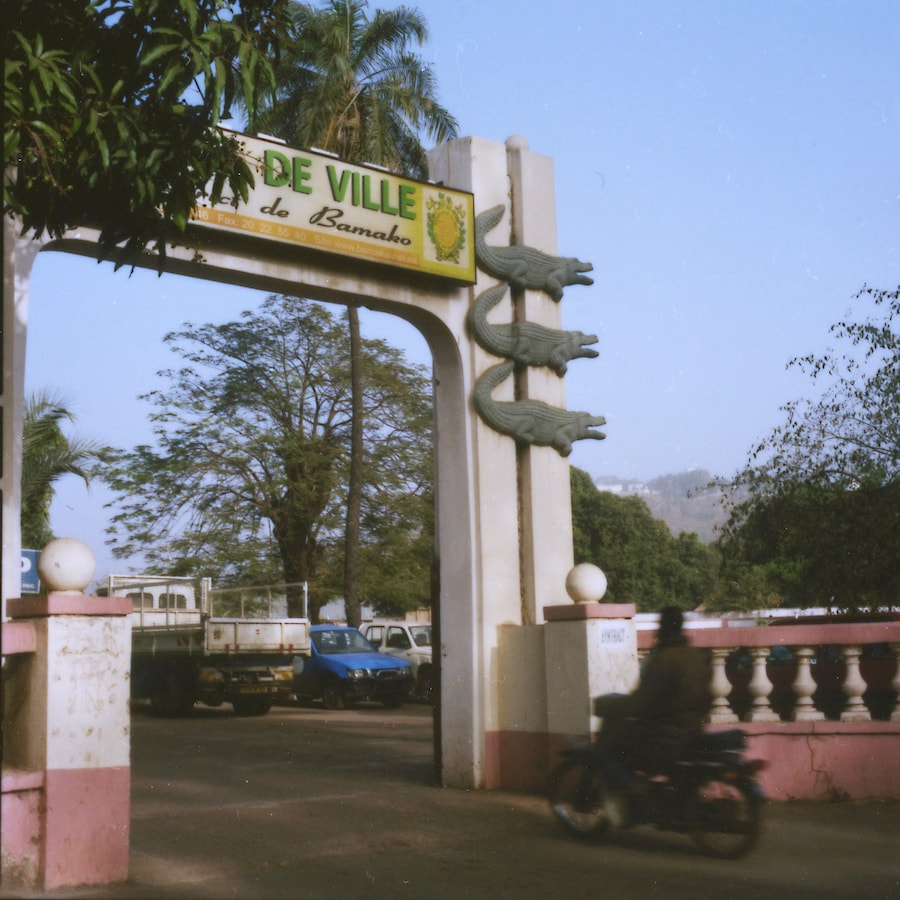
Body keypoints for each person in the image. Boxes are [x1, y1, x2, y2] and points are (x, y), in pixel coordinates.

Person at [593, 606, 711, 785]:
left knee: (610, 752)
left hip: (666, 735)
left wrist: (606, 706)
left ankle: (634, 794)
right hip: (691, 730)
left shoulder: (664, 659)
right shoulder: (696, 656)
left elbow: (641, 702)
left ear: (662, 627)